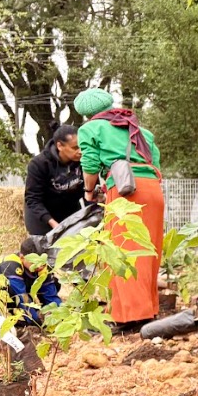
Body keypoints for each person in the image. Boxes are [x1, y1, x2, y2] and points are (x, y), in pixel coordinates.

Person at [75, 88, 164, 329]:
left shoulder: (91, 129)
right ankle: (148, 310)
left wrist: (89, 192)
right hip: (153, 190)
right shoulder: (141, 131)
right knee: (148, 251)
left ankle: (132, 317)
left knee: (123, 253)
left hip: (126, 192)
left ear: (86, 114)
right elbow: (154, 164)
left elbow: (90, 164)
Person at [24, 122, 84, 236]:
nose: (80, 151)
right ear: (60, 146)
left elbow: (88, 192)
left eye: (82, 146)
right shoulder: (39, 164)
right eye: (75, 147)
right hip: (42, 217)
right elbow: (33, 199)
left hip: (69, 211)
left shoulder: (83, 160)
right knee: (45, 250)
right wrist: (54, 225)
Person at [0, 239, 61, 327]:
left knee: (55, 283)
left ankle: (43, 312)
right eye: (35, 263)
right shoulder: (11, 265)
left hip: (21, 286)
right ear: (22, 258)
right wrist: (37, 322)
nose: (40, 266)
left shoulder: (42, 266)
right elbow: (22, 297)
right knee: (11, 291)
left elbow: (51, 295)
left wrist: (62, 313)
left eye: (42, 261)